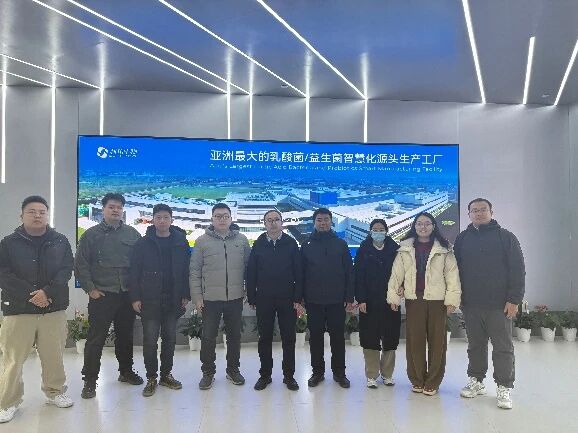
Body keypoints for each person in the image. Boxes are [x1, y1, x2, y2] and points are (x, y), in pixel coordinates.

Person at [0, 196, 74, 423]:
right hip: (19, 309)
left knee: (54, 355)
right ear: (21, 215)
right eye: (32, 211)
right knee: (13, 359)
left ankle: (55, 392)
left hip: (53, 308)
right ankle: (8, 402)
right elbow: (3, 274)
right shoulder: (8, 243)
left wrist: (47, 293)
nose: (37, 215)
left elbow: (66, 270)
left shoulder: (60, 241)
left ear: (47, 215)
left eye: (42, 211)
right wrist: (33, 295)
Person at [454, 198, 525, 410]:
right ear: (469, 214)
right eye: (474, 210)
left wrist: (514, 299)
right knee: (475, 346)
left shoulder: (506, 237)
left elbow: (518, 270)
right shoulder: (462, 239)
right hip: (471, 305)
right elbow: (455, 271)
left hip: (499, 306)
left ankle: (504, 386)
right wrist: (457, 298)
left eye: (483, 209)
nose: (479, 213)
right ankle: (476, 380)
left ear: (491, 212)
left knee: (503, 347)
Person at [75, 192, 143, 399]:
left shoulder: (132, 234)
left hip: (126, 294)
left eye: (119, 207)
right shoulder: (91, 235)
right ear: (103, 209)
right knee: (96, 339)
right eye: (111, 207)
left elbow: (140, 264)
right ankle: (89, 381)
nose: (115, 210)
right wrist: (91, 289)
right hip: (102, 294)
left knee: (125, 336)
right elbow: (81, 264)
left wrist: (137, 292)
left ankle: (126, 371)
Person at [387, 211, 461, 396]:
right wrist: (394, 296)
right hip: (414, 301)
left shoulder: (445, 249)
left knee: (438, 344)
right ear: (414, 226)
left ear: (433, 226)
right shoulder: (405, 248)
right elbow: (396, 275)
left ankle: (433, 382)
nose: (423, 227)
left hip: (437, 301)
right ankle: (417, 379)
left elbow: (452, 276)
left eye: (427, 223)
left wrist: (452, 300)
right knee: (415, 342)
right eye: (419, 223)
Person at [129, 204, 190, 397]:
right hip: (149, 299)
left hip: (173, 299)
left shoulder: (181, 242)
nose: (162, 221)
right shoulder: (142, 243)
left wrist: (186, 294)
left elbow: (186, 271)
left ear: (171, 220)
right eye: (158, 217)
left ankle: (166, 375)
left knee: (170, 339)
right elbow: (134, 271)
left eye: (166, 217)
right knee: (150, 341)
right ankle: (151, 377)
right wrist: (135, 297)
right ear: (153, 220)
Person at [190, 203, 251, 390]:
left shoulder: (242, 240)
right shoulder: (202, 241)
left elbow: (249, 269)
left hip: (235, 298)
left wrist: (247, 291)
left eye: (225, 216)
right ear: (212, 219)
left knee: (234, 336)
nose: (222, 219)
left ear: (231, 218)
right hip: (210, 299)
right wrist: (197, 297)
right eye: (218, 216)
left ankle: (233, 370)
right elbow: (194, 272)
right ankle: (208, 372)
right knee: (208, 337)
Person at [247, 210, 302, 391]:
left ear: (282, 222)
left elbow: (299, 272)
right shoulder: (259, 243)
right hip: (264, 298)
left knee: (289, 338)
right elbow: (251, 271)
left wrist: (298, 298)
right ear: (264, 224)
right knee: (265, 338)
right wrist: (251, 296)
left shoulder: (291, 243)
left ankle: (289, 376)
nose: (273, 223)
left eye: (276, 219)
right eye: (269, 220)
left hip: (287, 298)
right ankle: (265, 375)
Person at [301, 208, 354, 389]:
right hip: (313, 300)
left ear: (331, 222)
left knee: (338, 338)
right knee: (315, 338)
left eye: (326, 219)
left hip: (336, 300)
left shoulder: (340, 244)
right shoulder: (306, 244)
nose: (322, 223)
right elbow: (301, 273)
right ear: (314, 222)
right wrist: (301, 297)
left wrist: (349, 296)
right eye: (319, 220)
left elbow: (349, 272)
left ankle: (340, 373)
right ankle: (317, 373)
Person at [354, 219, 400, 389]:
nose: (378, 232)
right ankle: (372, 375)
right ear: (370, 231)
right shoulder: (363, 249)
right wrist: (361, 299)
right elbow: (358, 276)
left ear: (386, 231)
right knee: (370, 338)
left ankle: (387, 374)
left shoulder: (395, 249)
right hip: (369, 301)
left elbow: (400, 275)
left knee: (390, 337)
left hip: (390, 301)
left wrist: (397, 295)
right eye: (375, 229)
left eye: (381, 229)